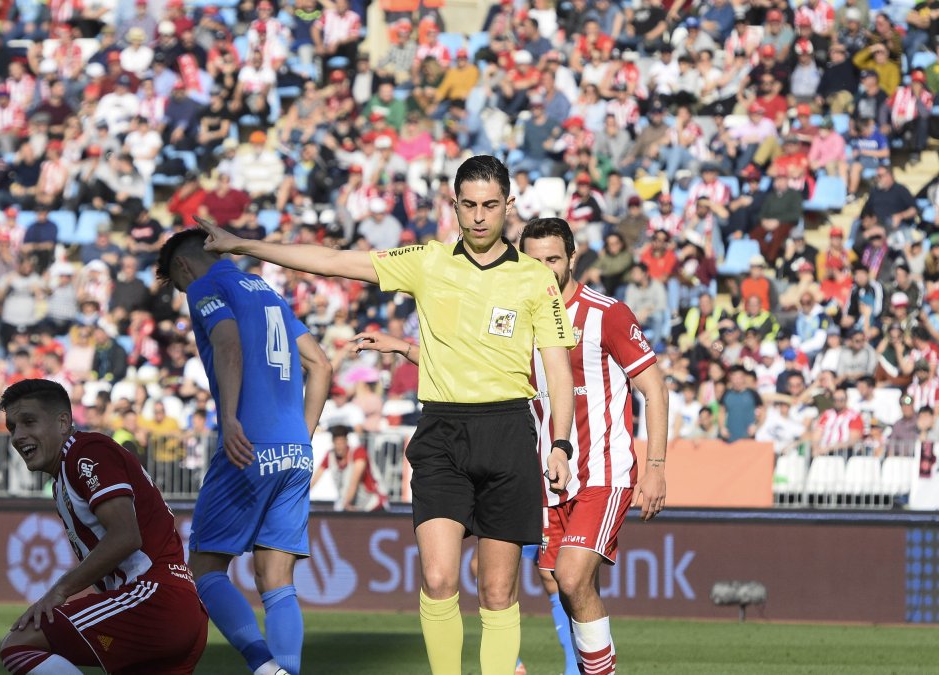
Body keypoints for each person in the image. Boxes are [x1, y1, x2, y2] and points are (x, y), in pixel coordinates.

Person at [195, 155, 576, 675]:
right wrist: (245, 245)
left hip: (509, 431)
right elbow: (335, 260)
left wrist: (560, 443)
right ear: (454, 205)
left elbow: (558, 369)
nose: (480, 217)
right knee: (440, 581)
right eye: (469, 205)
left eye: (491, 205)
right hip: (442, 431)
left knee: (496, 590)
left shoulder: (536, 280)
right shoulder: (428, 260)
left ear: (509, 206)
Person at [355, 217, 668, 675]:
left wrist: (656, 465)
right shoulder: (518, 306)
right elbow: (474, 365)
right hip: (544, 472)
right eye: (535, 259)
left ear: (573, 258)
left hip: (602, 469)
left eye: (554, 259)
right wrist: (404, 348)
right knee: (550, 580)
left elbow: (655, 389)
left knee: (571, 575)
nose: (544, 268)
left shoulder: (607, 314)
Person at [155, 228, 332, 675]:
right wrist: (302, 435)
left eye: (178, 287)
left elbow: (227, 341)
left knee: (205, 568)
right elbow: (321, 363)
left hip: (249, 443)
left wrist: (230, 418)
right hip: (294, 448)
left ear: (183, 267)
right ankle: (287, 673)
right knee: (276, 580)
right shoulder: (266, 290)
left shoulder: (204, 287)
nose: (184, 293)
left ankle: (262, 665)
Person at [0, 379, 208, 674]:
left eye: (29, 422)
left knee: (20, 642)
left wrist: (60, 590)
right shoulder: (63, 478)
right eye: (12, 428)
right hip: (177, 607)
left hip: (153, 599)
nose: (19, 436)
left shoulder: (86, 452)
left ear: (63, 422)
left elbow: (125, 536)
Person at [309, 424, 389, 512]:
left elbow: (354, 482)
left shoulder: (358, 453)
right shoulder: (330, 455)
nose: (339, 447)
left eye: (341, 442)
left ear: (346, 441)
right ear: (333, 443)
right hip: (354, 507)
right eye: (337, 443)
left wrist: (344, 504)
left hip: (374, 505)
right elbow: (315, 478)